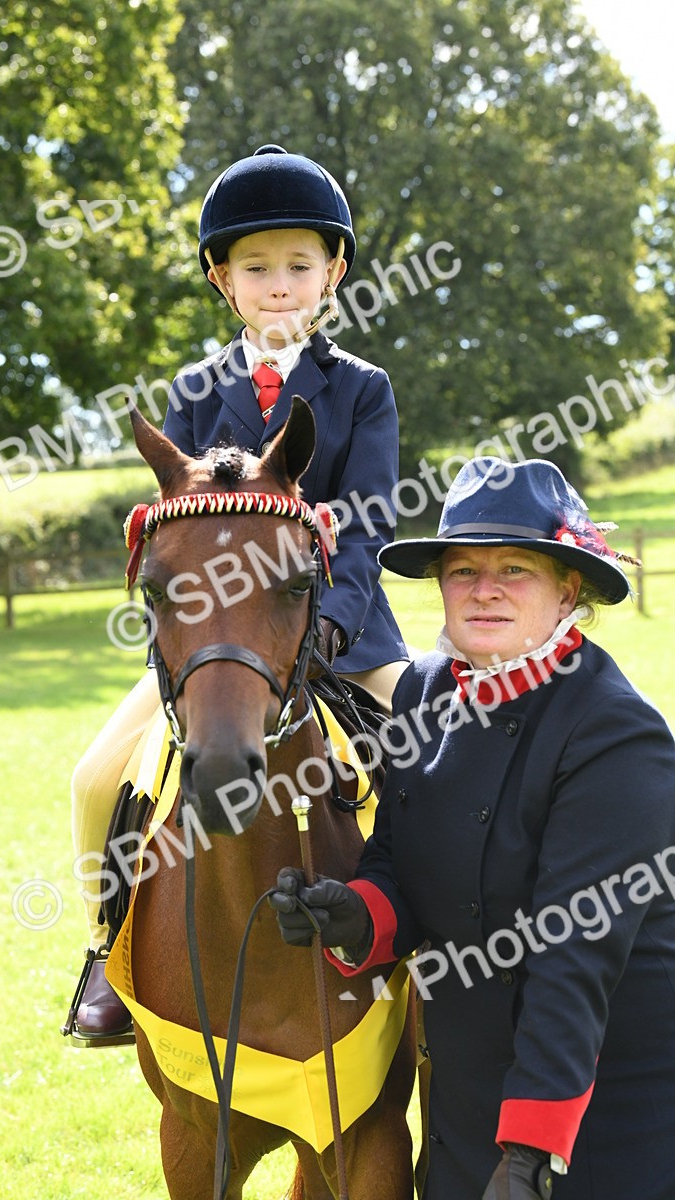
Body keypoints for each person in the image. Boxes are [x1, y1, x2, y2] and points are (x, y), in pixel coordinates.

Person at [67, 144, 412, 1041]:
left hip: (346, 635)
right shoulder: (191, 394)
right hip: (219, 641)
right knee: (96, 777)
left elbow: (368, 523)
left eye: (299, 266)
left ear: (333, 273)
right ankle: (108, 956)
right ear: (224, 280)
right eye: (257, 268)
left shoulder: (363, 393)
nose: (280, 285)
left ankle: (443, 960)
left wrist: (332, 625)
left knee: (430, 754)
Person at [270, 455, 675, 1199]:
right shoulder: (424, 689)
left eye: (515, 568)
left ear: (568, 590)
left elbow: (573, 955)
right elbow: (398, 855)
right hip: (461, 1106)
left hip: (594, 1120)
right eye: (462, 570)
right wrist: (357, 912)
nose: (483, 589)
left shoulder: (616, 734)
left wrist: (528, 1154)